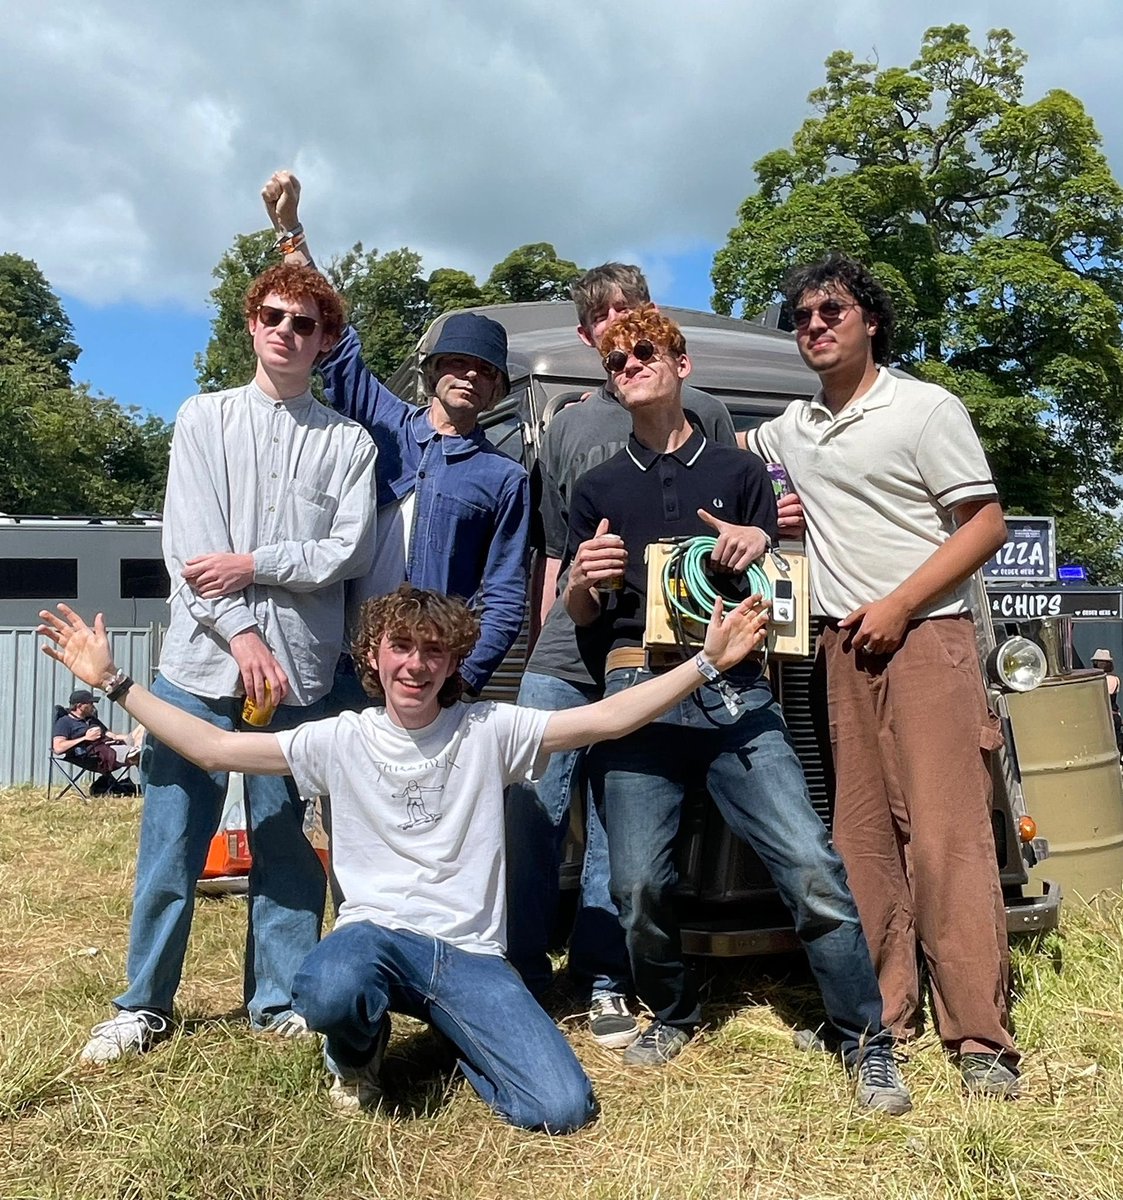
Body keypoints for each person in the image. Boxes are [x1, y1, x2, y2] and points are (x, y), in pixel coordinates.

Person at [39, 581, 771, 1131]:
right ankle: (357, 1058)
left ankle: (461, 1036)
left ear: (453, 660)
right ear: (374, 656)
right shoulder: (339, 739)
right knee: (325, 985)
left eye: (432, 651)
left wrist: (705, 663)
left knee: (560, 1110)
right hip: (374, 939)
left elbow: (607, 716)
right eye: (401, 648)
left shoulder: (489, 729)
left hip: (470, 956)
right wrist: (113, 683)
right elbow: (214, 746)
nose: (415, 666)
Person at [562, 305, 910, 1115]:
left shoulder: (741, 475)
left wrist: (763, 549)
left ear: (681, 365)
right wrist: (584, 579)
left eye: (643, 351)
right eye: (614, 361)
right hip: (636, 691)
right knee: (638, 885)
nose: (629, 365)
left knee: (810, 866)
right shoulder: (598, 489)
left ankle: (865, 1040)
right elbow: (582, 620)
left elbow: (783, 599)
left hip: (734, 691)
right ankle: (673, 1011)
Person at [77, 264, 378, 1066]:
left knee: (286, 846)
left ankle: (276, 1000)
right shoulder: (203, 419)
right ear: (251, 323)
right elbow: (188, 549)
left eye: (307, 322)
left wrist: (250, 563)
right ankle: (144, 1003)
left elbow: (346, 551)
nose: (288, 330)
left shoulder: (348, 443)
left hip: (302, 678)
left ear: (327, 339)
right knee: (173, 841)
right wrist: (243, 631)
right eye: (274, 315)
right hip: (201, 668)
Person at [745, 251, 1018, 1097]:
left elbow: (986, 524)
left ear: (869, 320)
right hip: (839, 646)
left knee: (945, 837)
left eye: (830, 310)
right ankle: (877, 1019)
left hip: (926, 638)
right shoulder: (793, 429)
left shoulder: (924, 407)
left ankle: (978, 1039)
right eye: (800, 317)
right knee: (860, 839)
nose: (814, 325)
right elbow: (705, 440)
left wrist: (899, 605)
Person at [506, 263, 756, 1048]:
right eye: (604, 319)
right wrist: (559, 621)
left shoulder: (708, 410)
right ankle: (516, 971)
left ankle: (607, 979)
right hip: (565, 650)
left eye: (634, 310)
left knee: (620, 819)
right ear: (587, 338)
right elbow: (555, 549)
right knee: (535, 806)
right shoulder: (571, 425)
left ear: (657, 318)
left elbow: (737, 512)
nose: (621, 326)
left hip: (647, 651)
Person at [261, 171, 529, 700]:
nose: (469, 375)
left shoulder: (505, 478)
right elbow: (335, 338)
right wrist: (291, 232)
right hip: (344, 662)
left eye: (484, 371)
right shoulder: (383, 424)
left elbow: (505, 593)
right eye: (456, 362)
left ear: (497, 389)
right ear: (432, 373)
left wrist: (466, 677)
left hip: (428, 673)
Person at [51, 688, 140, 794]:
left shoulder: (91, 719)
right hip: (94, 755)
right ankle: (146, 783)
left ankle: (137, 749)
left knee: (144, 729)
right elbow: (58, 748)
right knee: (140, 754)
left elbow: (113, 736)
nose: (93, 706)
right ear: (79, 706)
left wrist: (131, 737)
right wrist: (85, 738)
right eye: (90, 703)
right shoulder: (65, 722)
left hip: (110, 744)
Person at [1091, 649, 1123, 754]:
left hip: (1108, 716)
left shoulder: (1106, 680)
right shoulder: (1115, 678)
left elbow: (1105, 696)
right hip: (1114, 715)